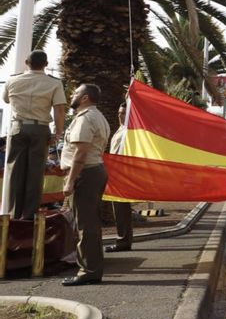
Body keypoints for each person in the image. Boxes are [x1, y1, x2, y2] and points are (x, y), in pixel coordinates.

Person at [3, 50, 67, 220]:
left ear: (26, 62)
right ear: (46, 64)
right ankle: (28, 216)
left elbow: (6, 100)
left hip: (17, 128)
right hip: (40, 129)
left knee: (14, 173)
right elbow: (59, 109)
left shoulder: (12, 80)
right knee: (35, 173)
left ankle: (13, 215)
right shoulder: (54, 83)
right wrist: (58, 132)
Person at [60, 83, 111, 286]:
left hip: (85, 173)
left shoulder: (85, 118)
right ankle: (91, 268)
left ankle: (88, 271)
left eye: (76, 92)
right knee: (89, 224)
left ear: (85, 98)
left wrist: (70, 181)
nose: (72, 94)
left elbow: (80, 153)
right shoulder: (97, 116)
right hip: (92, 171)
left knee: (85, 225)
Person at [106, 102, 133, 253]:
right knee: (120, 210)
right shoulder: (119, 130)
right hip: (115, 172)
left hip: (121, 174)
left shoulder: (129, 132)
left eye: (123, 113)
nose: (120, 116)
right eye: (118, 113)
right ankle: (124, 239)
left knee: (121, 209)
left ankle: (123, 240)